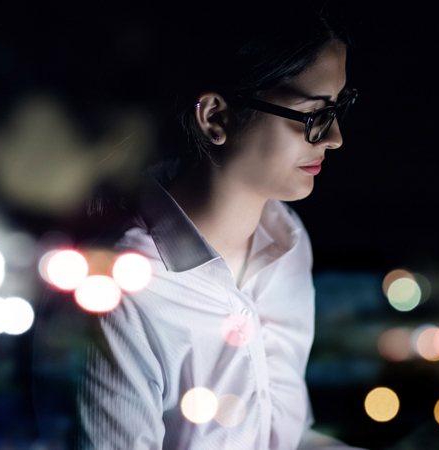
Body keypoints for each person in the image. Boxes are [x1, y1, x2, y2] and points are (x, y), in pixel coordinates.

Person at [33, 3, 365, 449]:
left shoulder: (288, 241)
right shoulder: (127, 289)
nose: (335, 136)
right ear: (214, 117)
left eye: (339, 106)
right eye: (312, 115)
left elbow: (282, 438)